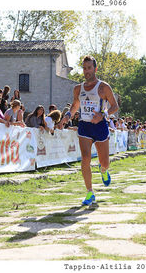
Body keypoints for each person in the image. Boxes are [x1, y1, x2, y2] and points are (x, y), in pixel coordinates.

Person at [59, 55, 119, 206]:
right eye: (84, 68)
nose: (86, 71)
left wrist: (103, 114)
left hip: (99, 126)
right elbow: (75, 106)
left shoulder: (103, 87)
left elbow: (115, 106)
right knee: (85, 158)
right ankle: (90, 192)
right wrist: (66, 116)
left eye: (89, 68)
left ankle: (103, 170)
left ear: (95, 69)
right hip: (84, 125)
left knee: (105, 162)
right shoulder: (78, 88)